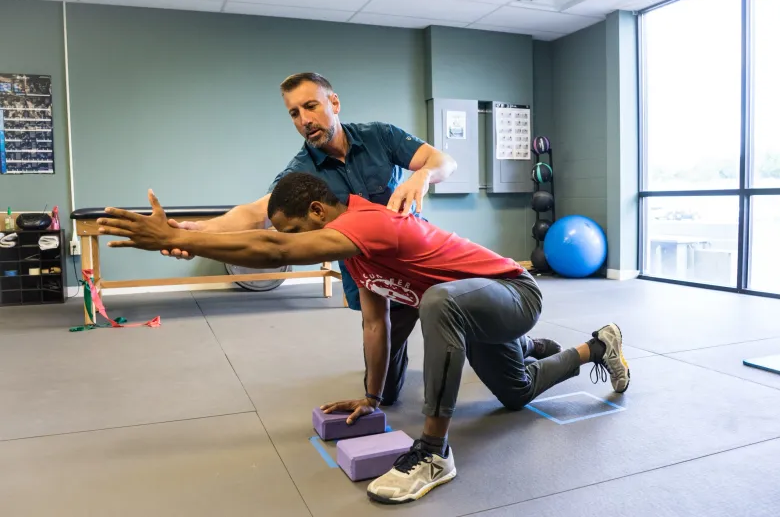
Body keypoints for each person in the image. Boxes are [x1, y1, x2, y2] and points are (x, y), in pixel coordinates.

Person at [96, 172, 632, 505]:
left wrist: (172, 235)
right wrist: (373, 397)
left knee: (437, 300)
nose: (294, 243)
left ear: (316, 212)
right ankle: (597, 345)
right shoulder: (356, 256)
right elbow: (375, 322)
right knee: (514, 393)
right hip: (475, 311)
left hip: (514, 294)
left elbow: (270, 250)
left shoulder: (368, 223)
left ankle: (432, 452)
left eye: (296, 232)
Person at [154, 71, 551, 405]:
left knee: (453, 315)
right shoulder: (301, 170)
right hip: (370, 273)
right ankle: (511, 349)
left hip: (417, 260)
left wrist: (421, 174)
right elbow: (257, 212)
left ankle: (519, 347)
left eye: (310, 106)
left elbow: (443, 160)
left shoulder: (378, 137)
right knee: (385, 391)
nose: (304, 119)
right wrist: (197, 231)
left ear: (334, 103)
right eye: (293, 113)